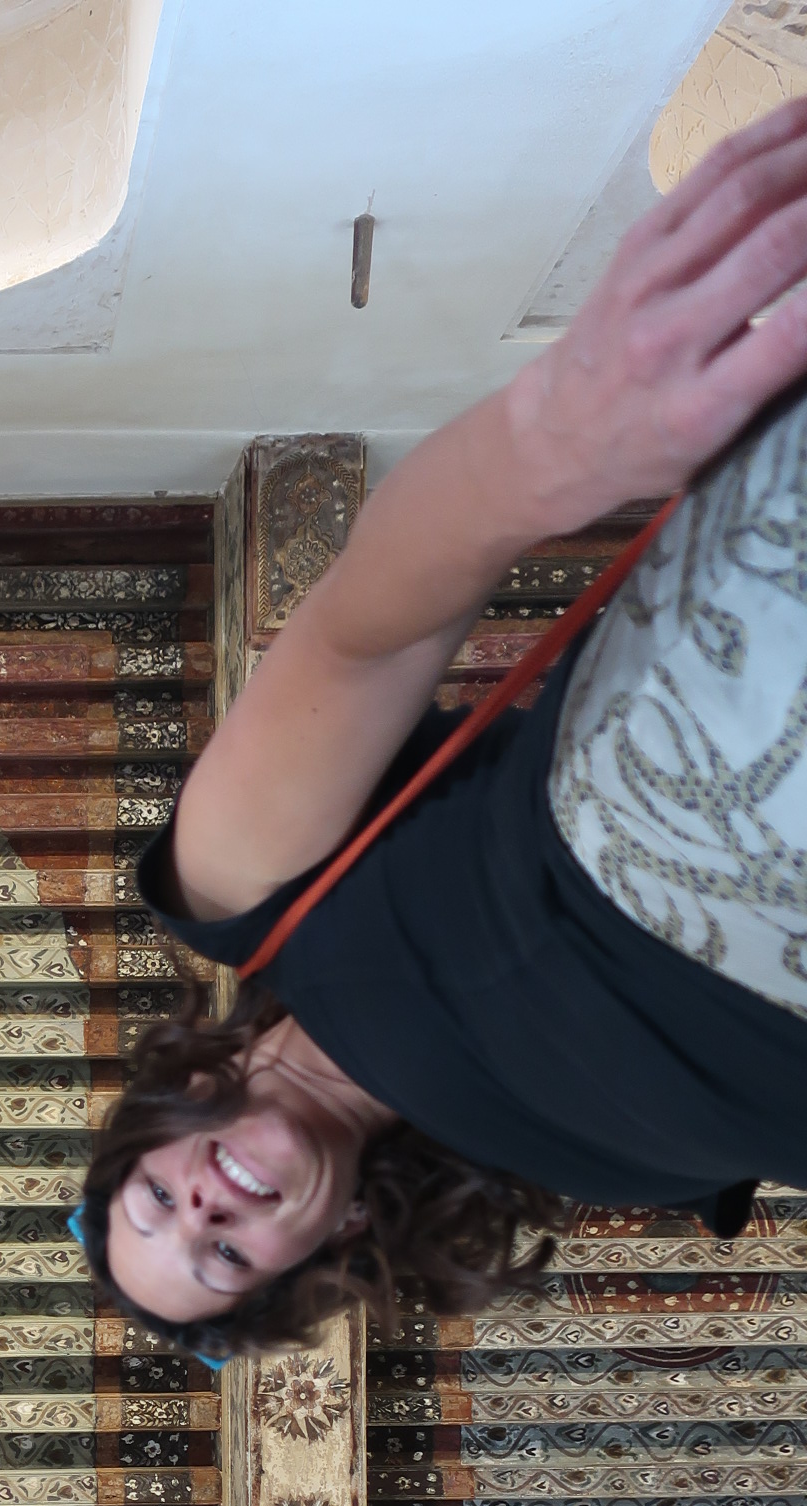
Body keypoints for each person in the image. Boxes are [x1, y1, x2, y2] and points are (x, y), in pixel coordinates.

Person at [75, 98, 807, 1364]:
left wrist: (543, 442)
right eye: (222, 1258)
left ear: (163, 1117)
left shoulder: (248, 895)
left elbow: (362, 633)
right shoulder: (598, 1172)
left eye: (154, 1201)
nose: (200, 1213)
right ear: (334, 1239)